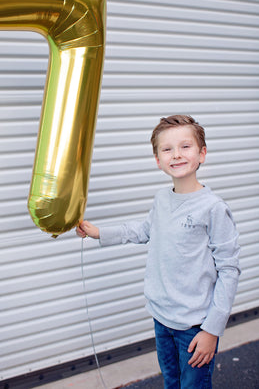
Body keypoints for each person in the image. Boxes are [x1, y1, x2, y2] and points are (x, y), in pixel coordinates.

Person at [76, 114, 240, 388]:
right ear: (157, 160)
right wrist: (100, 232)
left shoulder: (213, 208)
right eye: (167, 149)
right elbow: (143, 231)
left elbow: (229, 270)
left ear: (202, 154)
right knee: (171, 382)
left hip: (194, 326)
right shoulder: (161, 199)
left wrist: (213, 329)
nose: (176, 155)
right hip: (162, 319)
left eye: (185, 147)